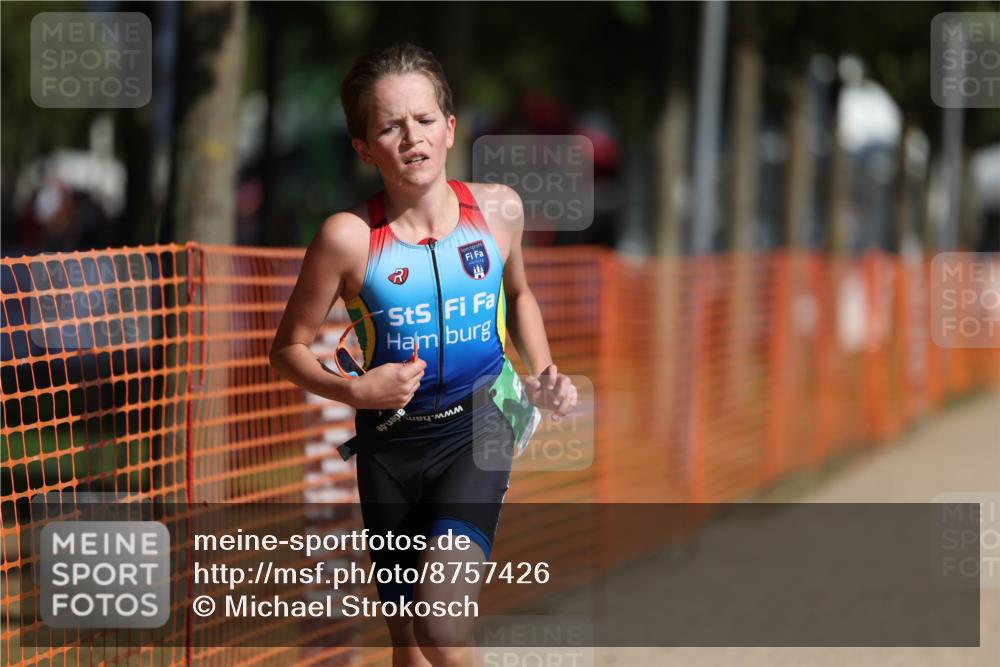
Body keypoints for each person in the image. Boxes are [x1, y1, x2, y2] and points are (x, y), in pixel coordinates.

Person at [269, 43, 578, 667]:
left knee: (439, 621)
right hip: (389, 446)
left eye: (425, 119)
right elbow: (287, 349)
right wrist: (354, 391)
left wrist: (544, 374)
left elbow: (519, 295)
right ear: (363, 147)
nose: (412, 136)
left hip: (484, 423)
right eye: (389, 126)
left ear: (450, 127)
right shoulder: (347, 237)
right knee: (408, 640)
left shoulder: (498, 211)